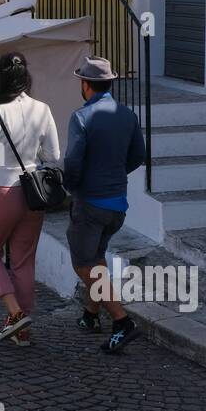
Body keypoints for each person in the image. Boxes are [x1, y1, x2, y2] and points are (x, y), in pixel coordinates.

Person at [0, 52, 60, 347]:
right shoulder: (43, 110)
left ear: (1, 79)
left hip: (0, 189)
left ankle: (16, 313)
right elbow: (54, 157)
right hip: (32, 194)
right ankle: (23, 330)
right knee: (23, 261)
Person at [62, 56, 146, 353]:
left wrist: (70, 186)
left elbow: (72, 162)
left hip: (90, 202)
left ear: (86, 85)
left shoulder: (82, 117)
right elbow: (138, 155)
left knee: (83, 264)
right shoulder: (127, 115)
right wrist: (114, 173)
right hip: (117, 204)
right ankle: (90, 315)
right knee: (97, 259)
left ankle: (123, 322)